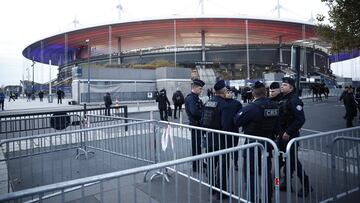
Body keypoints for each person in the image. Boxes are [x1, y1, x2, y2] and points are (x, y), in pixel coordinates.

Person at [234, 81, 279, 203]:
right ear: (265, 92)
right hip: (268, 143)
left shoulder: (252, 107)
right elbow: (277, 126)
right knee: (267, 173)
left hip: (252, 145)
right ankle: (268, 198)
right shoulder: (275, 106)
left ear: (253, 93)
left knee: (250, 173)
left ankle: (253, 199)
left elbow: (237, 121)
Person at [203, 80, 242, 199]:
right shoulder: (226, 104)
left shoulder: (209, 102)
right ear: (224, 91)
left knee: (211, 163)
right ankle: (222, 191)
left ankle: (212, 187)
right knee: (223, 165)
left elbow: (203, 120)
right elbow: (227, 125)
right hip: (223, 139)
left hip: (210, 137)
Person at [278, 77, 311, 197]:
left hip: (290, 136)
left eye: (285, 85)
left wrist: (288, 132)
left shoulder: (294, 100)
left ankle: (307, 185)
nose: (282, 86)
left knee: (293, 161)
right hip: (282, 136)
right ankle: (286, 183)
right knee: (284, 160)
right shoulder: (283, 99)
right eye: (282, 84)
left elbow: (300, 119)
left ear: (291, 87)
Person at [185, 79, 205, 172]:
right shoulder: (191, 98)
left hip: (198, 125)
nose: (201, 90)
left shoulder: (195, 97)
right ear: (195, 88)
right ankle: (195, 165)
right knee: (196, 146)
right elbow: (195, 112)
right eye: (200, 89)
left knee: (199, 145)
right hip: (195, 125)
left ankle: (200, 162)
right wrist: (204, 114)